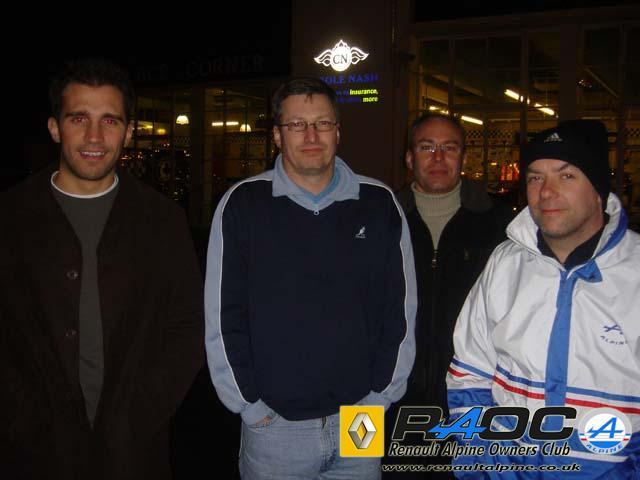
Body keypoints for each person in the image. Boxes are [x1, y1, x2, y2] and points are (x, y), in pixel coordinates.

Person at [0, 58, 204, 479]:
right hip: (32, 452)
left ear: (128, 131)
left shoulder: (162, 220)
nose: (94, 136)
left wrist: (143, 410)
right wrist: (20, 412)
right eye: (79, 118)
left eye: (110, 120)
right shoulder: (10, 216)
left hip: (133, 451)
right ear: (55, 127)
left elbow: (187, 326)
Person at [205, 76, 416, 479]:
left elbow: (401, 311)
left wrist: (381, 398)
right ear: (277, 135)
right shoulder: (243, 205)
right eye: (297, 125)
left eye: (322, 123)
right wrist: (249, 406)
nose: (311, 135)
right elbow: (222, 315)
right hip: (274, 426)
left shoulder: (379, 203)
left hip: (362, 417)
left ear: (338, 131)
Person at [447, 120, 639, 478]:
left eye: (566, 176)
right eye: (536, 177)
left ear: (598, 189)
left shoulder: (635, 273)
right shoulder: (506, 264)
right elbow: (469, 376)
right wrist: (479, 467)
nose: (546, 192)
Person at [397, 113, 511, 413]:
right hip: (388, 397)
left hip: (472, 394)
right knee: (368, 447)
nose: (438, 157)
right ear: (409, 158)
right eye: (426, 147)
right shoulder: (382, 221)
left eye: (449, 148)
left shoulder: (501, 226)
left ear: (463, 158)